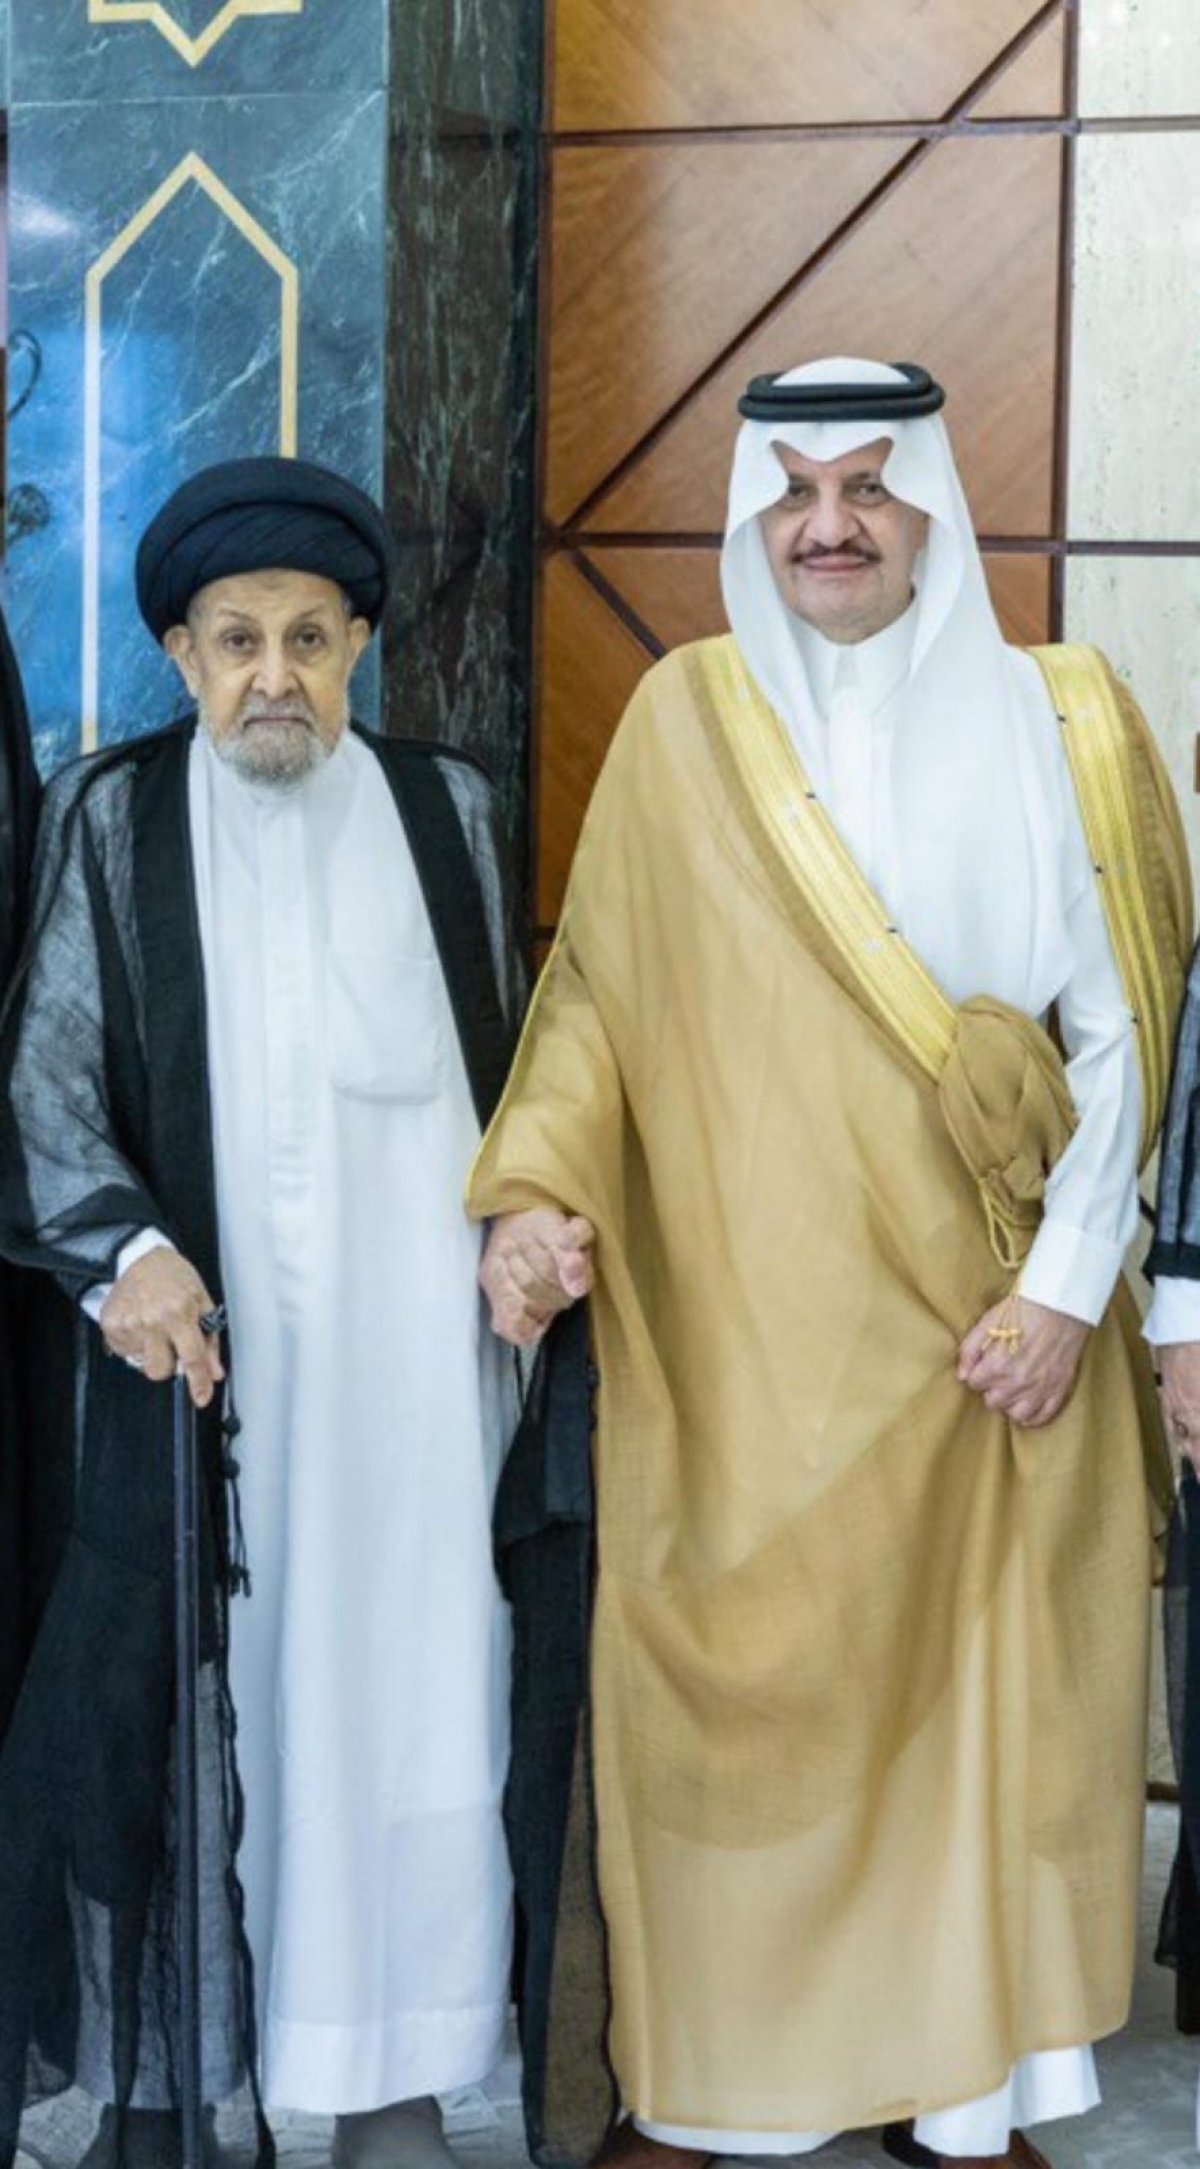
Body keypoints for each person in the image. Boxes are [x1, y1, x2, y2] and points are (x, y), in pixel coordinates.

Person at [468, 360, 1192, 2169]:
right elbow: (595, 1003)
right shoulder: (683, 721)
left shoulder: (1059, 717)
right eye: (793, 494)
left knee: (975, 1725)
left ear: (929, 504)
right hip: (743, 1343)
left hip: (986, 1339)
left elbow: (1128, 1035)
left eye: (867, 488)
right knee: (737, 1713)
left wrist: (1065, 1289)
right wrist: (535, 1192)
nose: (830, 527)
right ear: (753, 517)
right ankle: (714, 2091)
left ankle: (965, 2100)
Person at [0, 457, 519, 2169]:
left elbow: (521, 1067)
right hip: (201, 1368)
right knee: (174, 1715)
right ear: (181, 652)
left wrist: (534, 1211)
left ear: (360, 642)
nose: (273, 675)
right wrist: (125, 1251)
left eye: (309, 637)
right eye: (237, 640)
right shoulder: (113, 810)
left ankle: (390, 2080)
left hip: (417, 1384)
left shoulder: (448, 806)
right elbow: (45, 1082)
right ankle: (164, 2085)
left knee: (412, 1702)